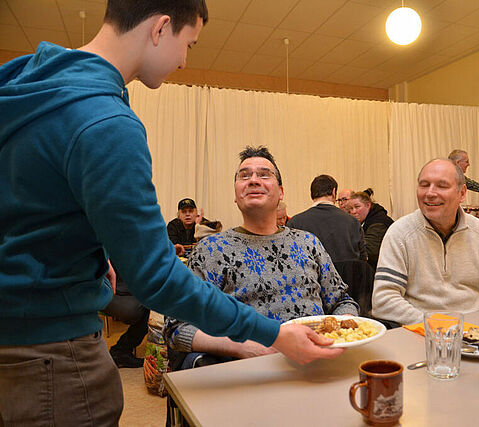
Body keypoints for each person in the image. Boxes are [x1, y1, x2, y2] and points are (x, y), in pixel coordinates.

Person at [0, 2, 342, 425]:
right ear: (161, 28)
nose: (183, 60)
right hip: (53, 350)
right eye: (189, 44)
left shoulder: (27, 80)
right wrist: (272, 334)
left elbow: (32, 197)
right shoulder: (106, 121)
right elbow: (157, 279)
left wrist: (93, 245)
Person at [164, 147, 358, 367]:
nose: (253, 180)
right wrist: (244, 347)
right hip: (248, 371)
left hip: (317, 363)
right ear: (236, 194)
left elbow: (342, 301)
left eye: (264, 175)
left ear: (281, 192)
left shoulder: (308, 243)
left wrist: (338, 335)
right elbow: (177, 327)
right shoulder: (211, 250)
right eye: (244, 176)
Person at [371, 159, 479, 325]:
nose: (430, 193)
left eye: (442, 186)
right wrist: (439, 327)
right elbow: (383, 300)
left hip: (476, 333)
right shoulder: (400, 233)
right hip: (418, 332)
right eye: (424, 185)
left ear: (462, 193)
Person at [288, 175, 367, 263]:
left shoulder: (295, 223)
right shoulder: (353, 222)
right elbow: (362, 259)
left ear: (311, 194)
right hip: (348, 276)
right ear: (334, 192)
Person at [102, 268, 150, 368]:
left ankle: (121, 350)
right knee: (149, 309)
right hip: (111, 291)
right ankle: (121, 351)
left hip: (124, 289)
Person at [349, 189, 394, 269]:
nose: (353, 211)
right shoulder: (366, 221)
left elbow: (369, 251)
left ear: (368, 205)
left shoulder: (379, 222)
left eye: (357, 207)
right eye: (351, 208)